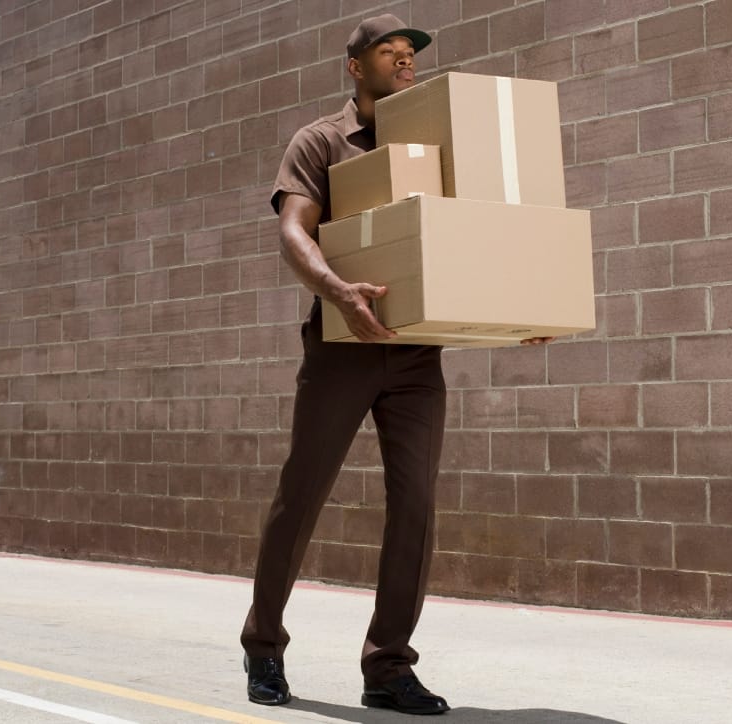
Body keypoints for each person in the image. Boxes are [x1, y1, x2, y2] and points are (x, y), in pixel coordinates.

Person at [239, 14, 552, 716]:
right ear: (356, 66)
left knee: (415, 506)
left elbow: (473, 230)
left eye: (411, 54)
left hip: (416, 355)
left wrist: (523, 307)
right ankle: (263, 645)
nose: (406, 62)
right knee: (302, 495)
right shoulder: (321, 140)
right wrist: (337, 291)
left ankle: (387, 666)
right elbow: (294, 228)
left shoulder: (434, 145)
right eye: (391, 52)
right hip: (343, 347)